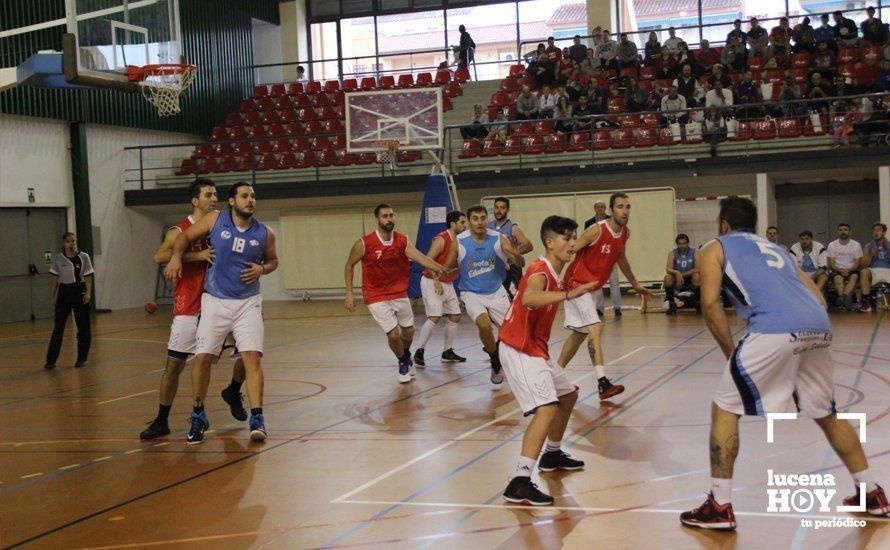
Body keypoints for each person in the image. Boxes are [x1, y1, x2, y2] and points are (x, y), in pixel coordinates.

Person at [679, 196, 890, 530]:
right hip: (818, 326)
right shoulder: (776, 249)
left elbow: (709, 304)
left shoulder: (714, 247)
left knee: (724, 407)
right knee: (827, 413)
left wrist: (731, 353)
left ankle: (719, 505)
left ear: (724, 225)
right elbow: (819, 298)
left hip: (774, 328)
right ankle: (870, 492)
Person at [163, 182, 278, 444]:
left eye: (253, 196)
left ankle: (257, 417)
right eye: (245, 196)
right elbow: (183, 237)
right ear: (231, 201)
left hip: (248, 302)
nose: (251, 200)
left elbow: (273, 260)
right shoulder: (216, 220)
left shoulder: (265, 233)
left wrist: (263, 269)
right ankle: (198, 414)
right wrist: (176, 257)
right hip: (215, 301)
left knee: (251, 358)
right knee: (202, 358)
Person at [499, 216, 596, 506]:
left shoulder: (556, 269)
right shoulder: (541, 269)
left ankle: (552, 453)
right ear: (550, 242)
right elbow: (529, 298)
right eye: (566, 237)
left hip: (535, 348)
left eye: (574, 237)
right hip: (519, 348)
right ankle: (519, 481)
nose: (572, 242)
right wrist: (568, 295)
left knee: (567, 396)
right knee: (546, 408)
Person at [140, 179, 247, 440]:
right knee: (175, 365)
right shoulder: (181, 230)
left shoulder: (223, 226)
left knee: (249, 352)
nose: (214, 198)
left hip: (222, 301)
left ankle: (233, 390)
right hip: (189, 304)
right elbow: (159, 256)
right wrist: (192, 257)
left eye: (216, 193)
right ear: (195, 201)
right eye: (208, 194)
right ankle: (162, 419)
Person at [560, 193, 653, 399]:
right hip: (578, 285)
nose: (625, 211)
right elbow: (569, 250)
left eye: (628, 207)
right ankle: (602, 383)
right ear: (611, 210)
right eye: (620, 207)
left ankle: (553, 377)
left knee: (579, 335)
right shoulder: (596, 230)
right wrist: (553, 277)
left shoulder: (625, 233)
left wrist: (636, 284)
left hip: (592, 288)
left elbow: (621, 257)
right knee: (595, 328)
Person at [345, 204, 444, 383]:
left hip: (398, 292)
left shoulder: (402, 240)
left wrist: (440, 268)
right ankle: (403, 363)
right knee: (393, 335)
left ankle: (406, 354)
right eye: (385, 216)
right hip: (375, 294)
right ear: (377, 219)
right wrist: (349, 293)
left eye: (391, 215)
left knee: (408, 332)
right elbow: (349, 265)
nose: (389, 219)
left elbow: (421, 257)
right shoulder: (364, 243)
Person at [446, 206, 525, 384]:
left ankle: (504, 354)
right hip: (471, 292)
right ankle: (495, 360)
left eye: (482, 218)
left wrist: (516, 254)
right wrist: (442, 273)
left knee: (513, 333)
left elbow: (520, 262)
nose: (480, 222)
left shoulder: (498, 238)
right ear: (468, 221)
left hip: (496, 291)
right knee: (484, 325)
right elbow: (448, 267)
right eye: (475, 218)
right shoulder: (459, 241)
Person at [414, 210, 468, 366]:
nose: (465, 225)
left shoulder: (461, 240)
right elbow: (427, 259)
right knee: (435, 316)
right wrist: (436, 279)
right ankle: (419, 351)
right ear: (453, 224)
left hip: (447, 281)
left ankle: (447, 351)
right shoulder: (441, 239)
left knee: (456, 315)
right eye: (462, 222)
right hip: (432, 281)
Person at [45, 232, 93, 370]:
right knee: (58, 327)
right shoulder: (57, 259)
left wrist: (88, 293)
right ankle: (51, 361)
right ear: (63, 243)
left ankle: (82, 358)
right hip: (64, 293)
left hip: (79, 291)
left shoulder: (83, 257)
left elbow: (88, 277)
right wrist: (53, 297)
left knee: (83, 327)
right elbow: (54, 279)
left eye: (73, 241)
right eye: (68, 241)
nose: (71, 244)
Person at [583, 200, 624, 317]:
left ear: (605, 208)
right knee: (598, 284)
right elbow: (587, 240)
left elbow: (617, 237)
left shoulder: (612, 221)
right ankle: (599, 308)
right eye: (598, 207)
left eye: (602, 207)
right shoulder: (589, 223)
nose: (600, 209)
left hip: (610, 256)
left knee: (614, 283)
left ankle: (617, 307)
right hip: (596, 258)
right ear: (594, 208)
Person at [489, 197, 534, 298]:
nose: (499, 211)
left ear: (507, 210)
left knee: (513, 298)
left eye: (502, 208)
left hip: (511, 268)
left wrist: (515, 252)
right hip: (495, 268)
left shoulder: (512, 227)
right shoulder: (489, 226)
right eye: (496, 208)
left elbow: (529, 246)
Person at [827, 222, 863, 310]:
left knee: (854, 277)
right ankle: (842, 297)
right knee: (838, 279)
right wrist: (840, 270)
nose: (843, 232)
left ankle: (842, 298)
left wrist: (849, 271)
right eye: (840, 230)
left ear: (850, 232)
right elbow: (831, 264)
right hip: (837, 269)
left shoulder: (856, 245)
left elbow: (857, 263)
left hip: (852, 269)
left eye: (845, 230)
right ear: (837, 232)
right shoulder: (832, 245)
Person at [664, 233, 700, 315]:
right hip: (677, 279)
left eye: (684, 243)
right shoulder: (672, 253)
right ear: (677, 244)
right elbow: (668, 269)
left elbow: (698, 268)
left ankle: (698, 302)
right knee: (667, 278)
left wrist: (681, 275)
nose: (682, 246)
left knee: (697, 275)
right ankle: (671, 303)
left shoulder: (695, 252)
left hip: (691, 279)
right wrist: (676, 273)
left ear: (688, 243)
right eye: (680, 244)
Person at [859, 222, 889, 312]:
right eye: (874, 230)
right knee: (864, 272)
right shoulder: (868, 246)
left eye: (879, 230)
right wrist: (871, 255)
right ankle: (866, 303)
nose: (876, 232)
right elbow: (863, 265)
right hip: (875, 271)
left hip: (888, 270)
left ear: (884, 232)